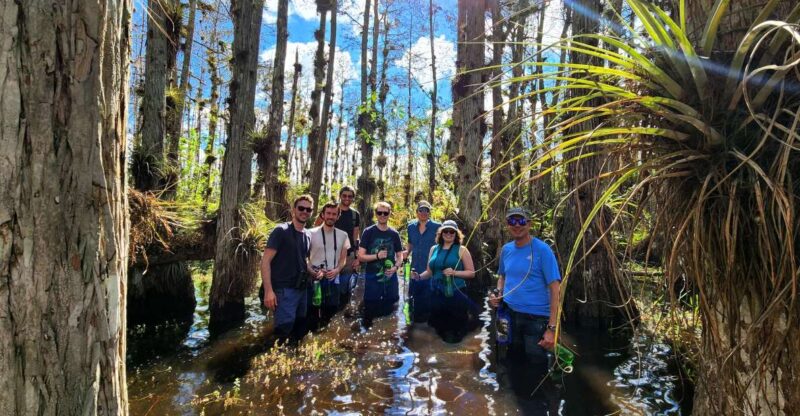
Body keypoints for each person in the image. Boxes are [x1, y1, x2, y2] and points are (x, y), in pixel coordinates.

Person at [489, 207, 561, 368]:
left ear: (529, 224)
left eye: (521, 221)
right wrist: (498, 293)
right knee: (511, 358)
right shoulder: (506, 249)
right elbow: (502, 276)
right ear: (507, 224)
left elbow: (555, 288)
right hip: (508, 313)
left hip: (535, 319)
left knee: (536, 364)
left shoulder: (543, 250)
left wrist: (551, 328)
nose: (517, 225)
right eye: (512, 221)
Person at [260, 195, 315, 343]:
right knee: (283, 330)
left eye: (308, 209)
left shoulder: (308, 234)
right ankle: (275, 354)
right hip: (284, 290)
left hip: (301, 289)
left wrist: (314, 272)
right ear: (293, 210)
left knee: (299, 326)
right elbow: (265, 261)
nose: (305, 212)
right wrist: (268, 291)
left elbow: (303, 260)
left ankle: (294, 354)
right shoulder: (281, 231)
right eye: (301, 208)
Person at [412, 220, 479, 342]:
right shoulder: (434, 249)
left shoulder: (462, 250)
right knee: (437, 330)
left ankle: (456, 350)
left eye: (452, 232)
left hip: (456, 293)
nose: (448, 234)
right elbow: (429, 272)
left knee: (455, 331)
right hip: (436, 294)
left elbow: (471, 273)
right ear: (441, 233)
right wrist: (419, 277)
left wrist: (454, 273)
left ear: (456, 234)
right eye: (445, 231)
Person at [357, 201, 403, 327]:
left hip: (391, 278)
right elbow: (360, 256)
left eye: (385, 213)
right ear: (376, 214)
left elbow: (400, 255)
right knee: (369, 311)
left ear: (389, 214)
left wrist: (395, 267)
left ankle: (387, 334)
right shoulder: (368, 232)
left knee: (391, 311)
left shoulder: (394, 234)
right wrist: (376, 256)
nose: (382, 215)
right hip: (372, 278)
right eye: (379, 212)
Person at [307, 201, 351, 327]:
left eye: (334, 214)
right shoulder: (310, 233)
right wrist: (312, 271)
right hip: (315, 278)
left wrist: (337, 270)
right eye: (328, 213)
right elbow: (304, 258)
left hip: (333, 278)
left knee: (331, 312)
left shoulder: (343, 235)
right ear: (323, 214)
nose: (331, 216)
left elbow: (343, 259)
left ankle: (326, 335)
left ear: (338, 216)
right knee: (313, 313)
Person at [406, 200, 441, 323]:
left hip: (431, 271)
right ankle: (413, 325)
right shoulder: (410, 227)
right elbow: (410, 244)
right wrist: (406, 253)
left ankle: (429, 326)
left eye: (426, 210)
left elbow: (442, 245)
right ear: (417, 212)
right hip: (415, 269)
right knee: (413, 300)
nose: (424, 212)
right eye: (421, 210)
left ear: (429, 212)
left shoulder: (437, 227)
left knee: (430, 302)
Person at [334, 186, 361, 306]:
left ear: (353, 198)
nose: (347, 198)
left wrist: (357, 256)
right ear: (340, 196)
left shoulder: (355, 214)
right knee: (330, 286)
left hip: (348, 256)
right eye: (344, 195)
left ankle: (343, 311)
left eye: (350, 196)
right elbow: (317, 227)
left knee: (345, 288)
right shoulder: (331, 210)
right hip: (330, 255)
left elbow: (356, 236)